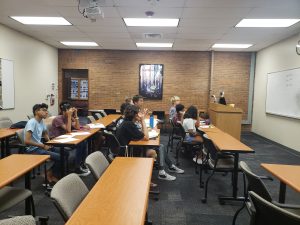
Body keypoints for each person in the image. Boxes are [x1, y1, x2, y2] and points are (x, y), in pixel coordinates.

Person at [116, 105, 184, 181]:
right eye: (139, 113)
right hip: (128, 152)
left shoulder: (127, 123)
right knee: (156, 150)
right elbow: (146, 137)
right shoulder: (128, 124)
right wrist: (142, 120)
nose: (140, 115)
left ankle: (168, 167)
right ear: (135, 115)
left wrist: (141, 121)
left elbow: (140, 134)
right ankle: (162, 172)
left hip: (130, 148)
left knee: (160, 146)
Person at [50, 101, 90, 176]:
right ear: (63, 111)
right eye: (69, 111)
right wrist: (69, 117)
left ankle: (81, 163)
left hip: (66, 139)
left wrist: (75, 115)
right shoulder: (58, 119)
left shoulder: (68, 117)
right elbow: (68, 130)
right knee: (80, 144)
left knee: (83, 142)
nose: (70, 112)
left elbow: (77, 127)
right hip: (57, 141)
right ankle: (76, 168)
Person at [24, 103, 60, 184]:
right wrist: (43, 145)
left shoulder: (41, 121)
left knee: (65, 152)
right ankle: (49, 175)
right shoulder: (32, 122)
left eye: (46, 110)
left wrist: (49, 142)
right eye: (44, 110)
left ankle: (50, 174)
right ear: (37, 112)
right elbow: (27, 141)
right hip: (32, 150)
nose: (46, 112)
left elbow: (44, 133)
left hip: (40, 147)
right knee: (59, 157)